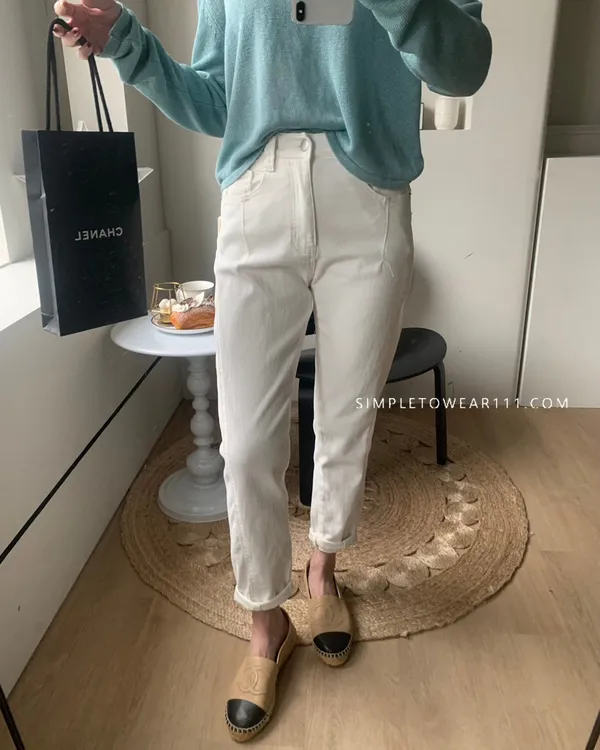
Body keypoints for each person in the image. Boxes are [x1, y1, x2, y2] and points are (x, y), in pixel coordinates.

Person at [55, 0, 491, 741]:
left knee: (346, 417)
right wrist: (126, 42)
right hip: (256, 196)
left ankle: (323, 570)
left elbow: (463, 68)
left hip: (369, 197)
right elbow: (217, 99)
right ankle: (265, 620)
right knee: (248, 442)